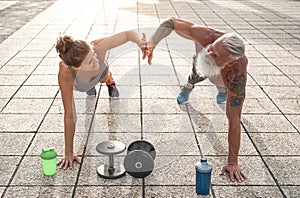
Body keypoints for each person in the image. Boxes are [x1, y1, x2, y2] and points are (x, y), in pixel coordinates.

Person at [144, 17, 248, 182]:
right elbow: (170, 22)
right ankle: (188, 86)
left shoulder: (236, 75)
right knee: (197, 74)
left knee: (223, 86)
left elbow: (234, 119)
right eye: (212, 48)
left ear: (229, 63)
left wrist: (232, 162)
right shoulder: (207, 36)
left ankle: (222, 90)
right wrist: (152, 42)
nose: (209, 53)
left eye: (215, 55)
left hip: (224, 78)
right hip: (202, 68)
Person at [55, 30, 146, 170]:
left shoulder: (97, 49)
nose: (95, 60)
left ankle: (110, 82)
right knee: (85, 86)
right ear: (76, 67)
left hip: (101, 74)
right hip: (79, 84)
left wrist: (140, 41)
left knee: (105, 77)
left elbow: (128, 34)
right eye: (90, 61)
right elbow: (70, 115)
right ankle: (89, 86)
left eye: (93, 56)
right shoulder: (66, 73)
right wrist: (68, 152)